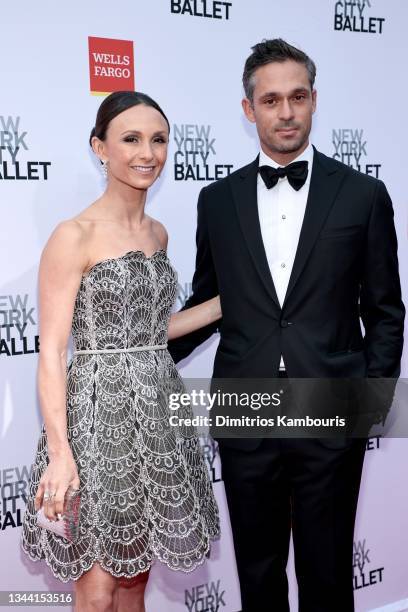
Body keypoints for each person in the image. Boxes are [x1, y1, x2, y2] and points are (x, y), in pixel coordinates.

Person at [168, 39, 405, 611]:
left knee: (327, 573)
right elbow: (209, 302)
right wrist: (139, 360)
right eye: (271, 100)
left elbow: (385, 309)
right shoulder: (216, 200)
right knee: (258, 570)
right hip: (244, 410)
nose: (286, 112)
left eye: (298, 97)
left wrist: (369, 398)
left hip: (329, 404)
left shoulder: (363, 195)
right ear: (249, 110)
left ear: (314, 100)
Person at [21, 91, 220, 612]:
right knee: (98, 585)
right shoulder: (73, 235)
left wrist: (236, 299)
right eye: (131, 138)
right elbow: (52, 353)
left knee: (135, 578)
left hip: (157, 416)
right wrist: (62, 454)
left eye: (158, 140)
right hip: (95, 422)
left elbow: (154, 330)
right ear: (100, 148)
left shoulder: (158, 233)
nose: (147, 153)